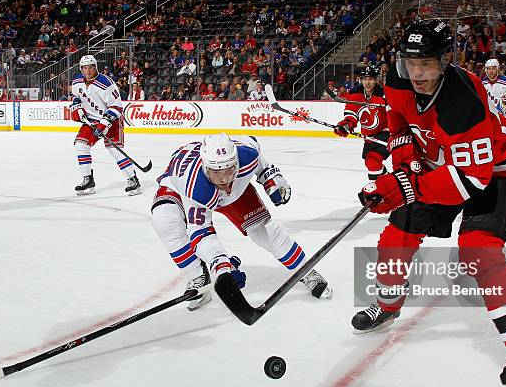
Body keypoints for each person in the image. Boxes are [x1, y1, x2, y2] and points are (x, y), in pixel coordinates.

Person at [353, 19, 506, 387]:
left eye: (427, 64)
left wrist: (402, 189)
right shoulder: (398, 80)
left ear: (444, 61)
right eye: (411, 64)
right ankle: (388, 306)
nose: (418, 74)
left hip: (494, 173)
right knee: (395, 238)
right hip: (439, 166)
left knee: (478, 253)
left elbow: (469, 181)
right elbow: (398, 118)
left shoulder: (463, 103)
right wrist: (406, 155)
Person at [151, 133, 332, 310]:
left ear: (237, 162)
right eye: (216, 172)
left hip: (231, 188)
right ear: (206, 168)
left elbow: (260, 160)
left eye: (229, 170)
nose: (224, 179)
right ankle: (198, 277)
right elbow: (200, 232)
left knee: (264, 231)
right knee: (164, 221)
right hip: (177, 186)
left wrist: (271, 179)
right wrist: (221, 267)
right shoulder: (194, 186)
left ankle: (306, 270)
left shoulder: (247, 154)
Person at [70, 55, 141, 196]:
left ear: (96, 67)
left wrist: (104, 124)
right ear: (81, 69)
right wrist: (76, 106)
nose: (88, 70)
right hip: (91, 120)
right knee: (81, 145)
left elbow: (117, 107)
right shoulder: (77, 81)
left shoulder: (106, 83)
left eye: (91, 67)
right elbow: (76, 96)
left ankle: (133, 180)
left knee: (115, 150)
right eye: (85, 67)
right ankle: (88, 180)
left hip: (112, 120)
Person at [334, 64, 390, 180]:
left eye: (370, 79)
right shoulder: (355, 94)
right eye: (364, 79)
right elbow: (351, 115)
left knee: (373, 160)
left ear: (376, 80)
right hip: (369, 136)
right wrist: (345, 125)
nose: (367, 82)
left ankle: (380, 190)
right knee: (371, 163)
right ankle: (388, 183)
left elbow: (394, 115)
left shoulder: (384, 95)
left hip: (385, 133)